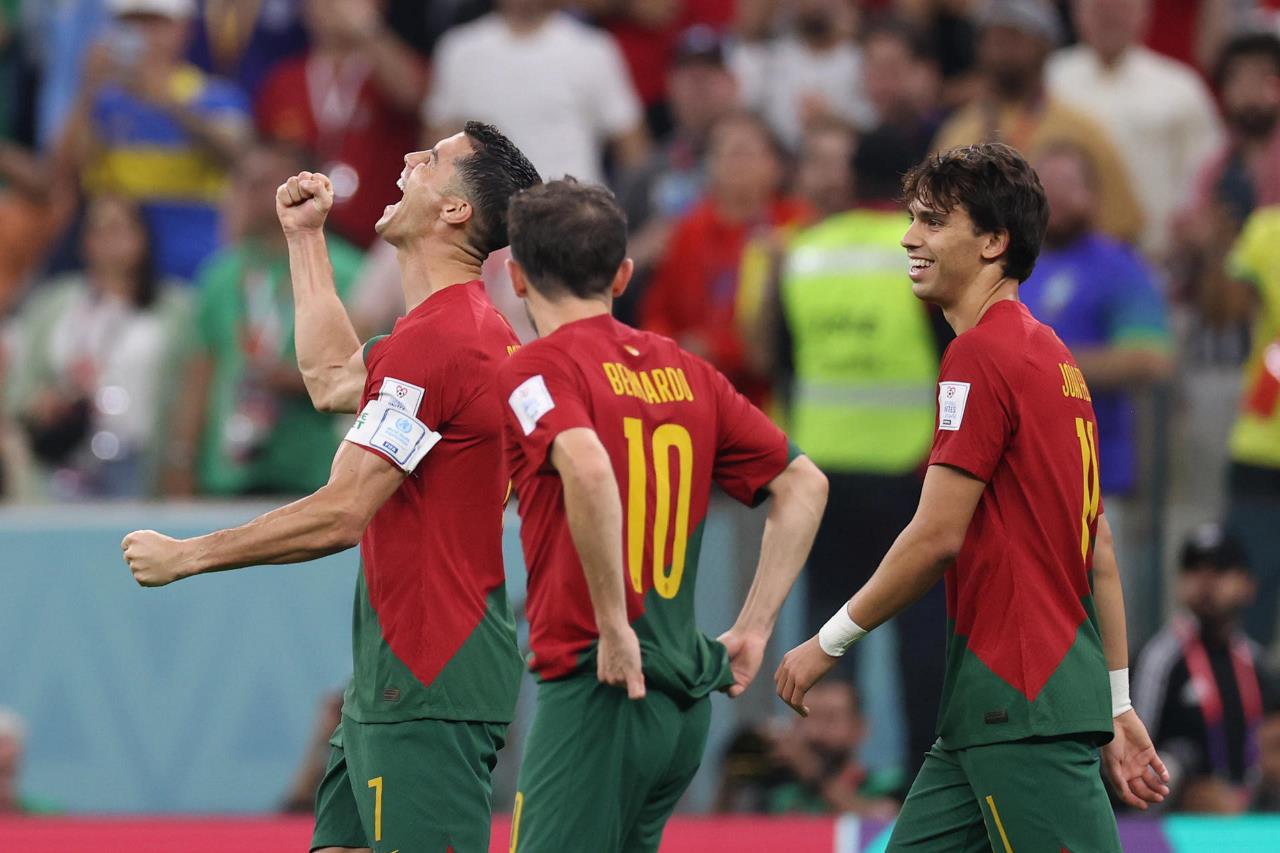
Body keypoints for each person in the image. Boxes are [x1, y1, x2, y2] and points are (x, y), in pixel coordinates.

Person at [120, 121, 542, 853]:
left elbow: (345, 510)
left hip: (428, 672)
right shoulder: (447, 333)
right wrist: (305, 238)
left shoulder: (442, 341)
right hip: (397, 671)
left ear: (454, 212)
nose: (410, 157)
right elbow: (329, 378)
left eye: (434, 158)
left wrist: (188, 555)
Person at [775, 143, 1169, 851]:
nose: (908, 237)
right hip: (993, 711)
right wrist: (1115, 701)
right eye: (912, 218)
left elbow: (935, 536)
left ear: (993, 241)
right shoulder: (1055, 358)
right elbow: (1097, 546)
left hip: (1019, 701)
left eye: (931, 221)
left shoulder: (980, 356)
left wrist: (826, 643)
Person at [496, 179, 828, 852]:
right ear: (622, 275)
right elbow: (803, 481)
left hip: (598, 684)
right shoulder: (686, 371)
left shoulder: (536, 369)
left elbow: (587, 468)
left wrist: (614, 623)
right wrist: (755, 627)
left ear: (517, 277)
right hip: (682, 700)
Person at [758, 119, 946, 783]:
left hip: (822, 475)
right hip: (911, 477)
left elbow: (777, 362)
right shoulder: (922, 254)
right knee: (923, 631)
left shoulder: (802, 253)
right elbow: (956, 356)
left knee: (829, 634)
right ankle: (927, 779)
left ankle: (819, 784)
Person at [1020, 143, 1174, 641]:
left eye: (1070, 188)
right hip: (1019, 481)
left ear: (1093, 195)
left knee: (1100, 630)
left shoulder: (1118, 266)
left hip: (1098, 481)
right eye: (1047, 188)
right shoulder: (1013, 264)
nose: (1058, 201)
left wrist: (1048, 363)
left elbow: (1152, 357)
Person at [159, 141, 364, 498]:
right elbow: (200, 376)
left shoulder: (348, 272)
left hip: (317, 474)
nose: (248, 190)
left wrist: (304, 382)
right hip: (227, 474)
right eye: (244, 180)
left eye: (264, 180)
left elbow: (368, 375)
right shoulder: (222, 275)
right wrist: (181, 462)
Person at [4, 193, 188, 500]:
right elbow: (18, 390)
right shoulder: (53, 303)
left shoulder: (174, 309)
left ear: (143, 237)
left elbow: (186, 393)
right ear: (83, 240)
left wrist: (179, 463)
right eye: (98, 229)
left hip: (137, 460)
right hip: (62, 461)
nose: (108, 240)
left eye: (118, 228)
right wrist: (41, 404)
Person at [55, 0, 252, 281]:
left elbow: (241, 155)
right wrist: (87, 89)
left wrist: (166, 102)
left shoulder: (215, 96)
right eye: (132, 23)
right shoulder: (104, 102)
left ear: (184, 29)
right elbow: (64, 175)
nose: (143, 34)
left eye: (156, 23)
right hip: (120, 275)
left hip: (193, 271)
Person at [932, 0, 1145, 245]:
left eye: (1014, 37)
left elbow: (1123, 230)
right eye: (991, 38)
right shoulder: (959, 131)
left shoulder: (1082, 131)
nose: (1000, 48)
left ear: (1045, 45)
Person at [640, 111, 810, 408]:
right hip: (695, 392)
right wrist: (676, 350)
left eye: (743, 153)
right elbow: (656, 314)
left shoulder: (797, 225)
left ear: (775, 166)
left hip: (773, 395)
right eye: (722, 153)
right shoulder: (689, 230)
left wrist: (720, 347)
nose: (733, 164)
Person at [1047, 0, 1222, 259]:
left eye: (1121, 7)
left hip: (1156, 259)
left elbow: (1206, 169)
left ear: (1144, 12)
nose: (1110, 16)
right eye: (1098, 8)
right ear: (1076, 13)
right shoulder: (1050, 79)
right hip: (1059, 259)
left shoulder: (1181, 87)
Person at [254, 0, 428, 249]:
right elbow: (264, 167)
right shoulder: (283, 81)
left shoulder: (390, 71)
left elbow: (414, 96)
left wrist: (368, 30)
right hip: (301, 244)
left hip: (383, 241)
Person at [424, 0, 649, 185]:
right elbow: (435, 154)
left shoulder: (593, 49)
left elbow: (633, 151)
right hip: (491, 227)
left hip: (576, 222)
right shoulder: (459, 51)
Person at [1133, 523, 1268, 814]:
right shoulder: (1159, 658)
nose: (1206, 581)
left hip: (1253, 822)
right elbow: (1130, 765)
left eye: (1219, 570)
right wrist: (1183, 793)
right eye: (1194, 569)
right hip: (1175, 829)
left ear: (1248, 585)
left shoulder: (1254, 663)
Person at [1200, 202, 1280, 653]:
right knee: (1244, 619)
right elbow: (1221, 315)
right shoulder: (1269, 229)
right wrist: (1216, 249)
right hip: (1264, 453)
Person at [716, 682, 900, 816]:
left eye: (829, 719)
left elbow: (881, 828)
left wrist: (808, 766)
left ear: (860, 728)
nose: (815, 732)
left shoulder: (886, 784)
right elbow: (715, 839)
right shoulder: (779, 792)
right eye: (804, 719)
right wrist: (735, 774)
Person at [731, 0, 874, 149]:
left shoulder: (860, 60)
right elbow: (745, 112)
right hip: (780, 158)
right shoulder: (772, 57)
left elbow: (872, 125)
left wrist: (829, 118)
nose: (815, 5)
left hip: (848, 159)